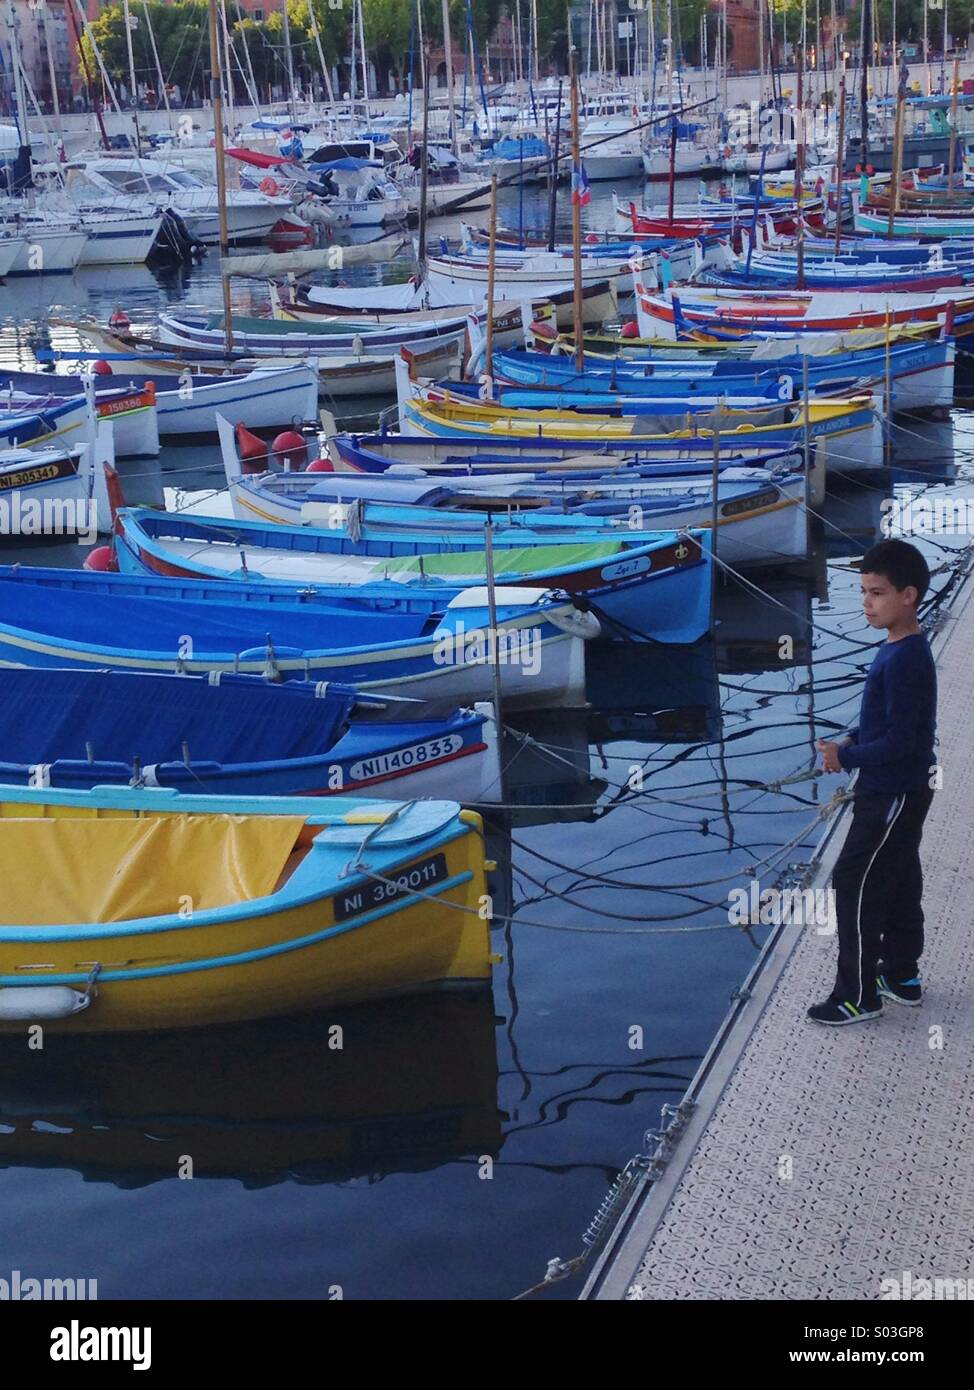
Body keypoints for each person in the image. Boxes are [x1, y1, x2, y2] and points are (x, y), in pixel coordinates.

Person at [809, 540, 937, 1026]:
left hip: (893, 791)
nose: (867, 602)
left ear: (908, 595)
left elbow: (902, 742)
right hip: (899, 788)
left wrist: (848, 756)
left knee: (854, 882)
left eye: (877, 593)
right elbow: (889, 724)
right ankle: (902, 975)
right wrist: (850, 739)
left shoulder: (905, 659)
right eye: (863, 592)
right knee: (899, 875)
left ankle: (857, 996)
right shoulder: (900, 648)